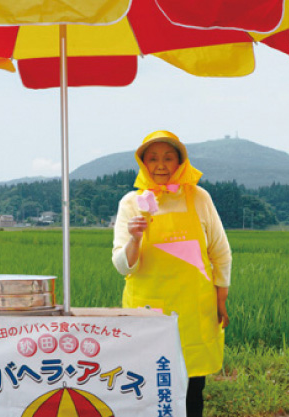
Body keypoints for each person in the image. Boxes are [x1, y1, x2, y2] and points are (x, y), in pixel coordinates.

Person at [112, 130, 231, 417]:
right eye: (153, 158)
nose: (161, 165)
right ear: (143, 164)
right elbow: (122, 265)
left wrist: (221, 300)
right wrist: (135, 238)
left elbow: (220, 252)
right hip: (147, 309)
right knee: (147, 385)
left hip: (194, 308)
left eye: (168, 158)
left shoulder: (199, 197)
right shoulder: (131, 203)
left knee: (192, 387)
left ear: (180, 162)